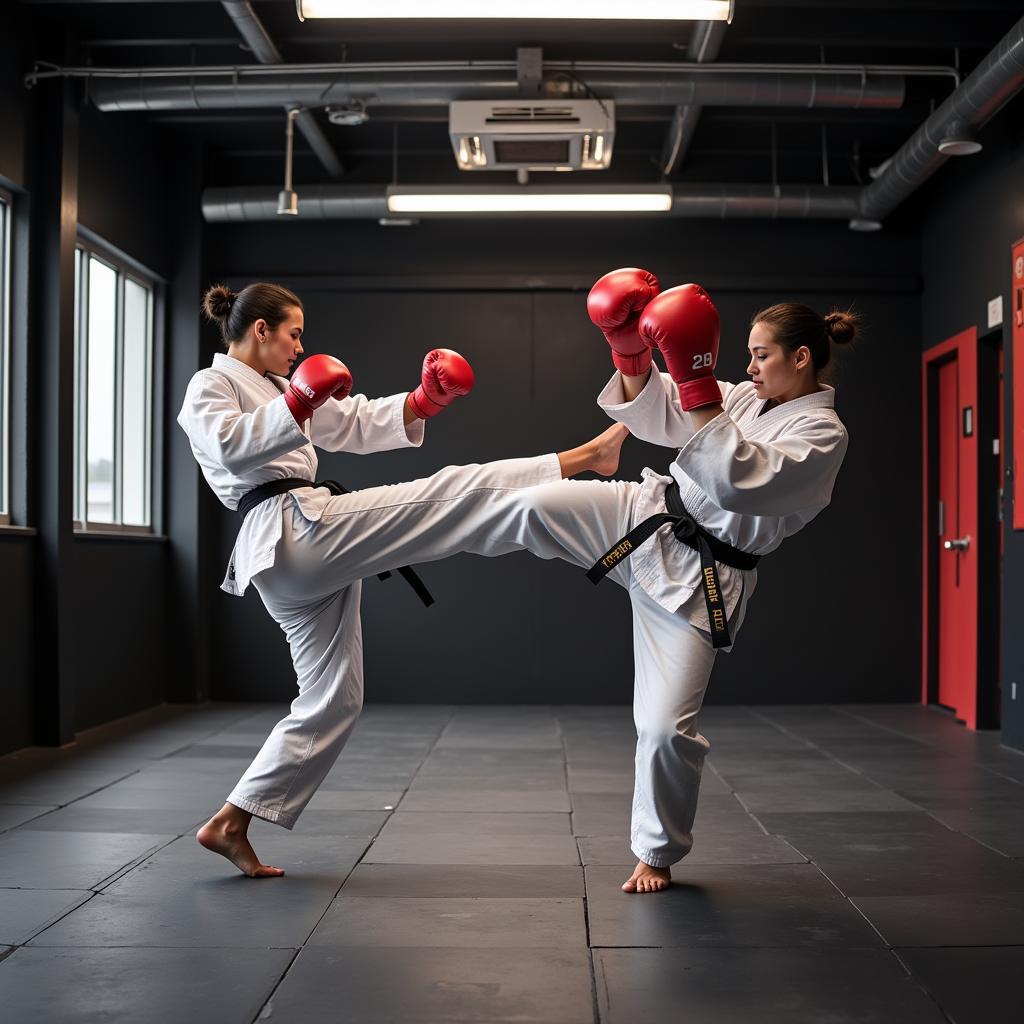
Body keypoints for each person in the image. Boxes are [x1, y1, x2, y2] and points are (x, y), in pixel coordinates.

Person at [178, 273, 855, 894]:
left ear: (801, 358)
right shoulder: (214, 388)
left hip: (697, 575)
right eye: (293, 332)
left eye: (761, 354)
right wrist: (640, 363)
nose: (301, 346)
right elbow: (237, 444)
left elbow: (344, 421)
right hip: (294, 529)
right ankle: (584, 456)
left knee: (333, 700)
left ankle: (235, 819)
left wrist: (418, 403)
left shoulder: (818, 432)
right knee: (464, 494)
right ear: (259, 330)